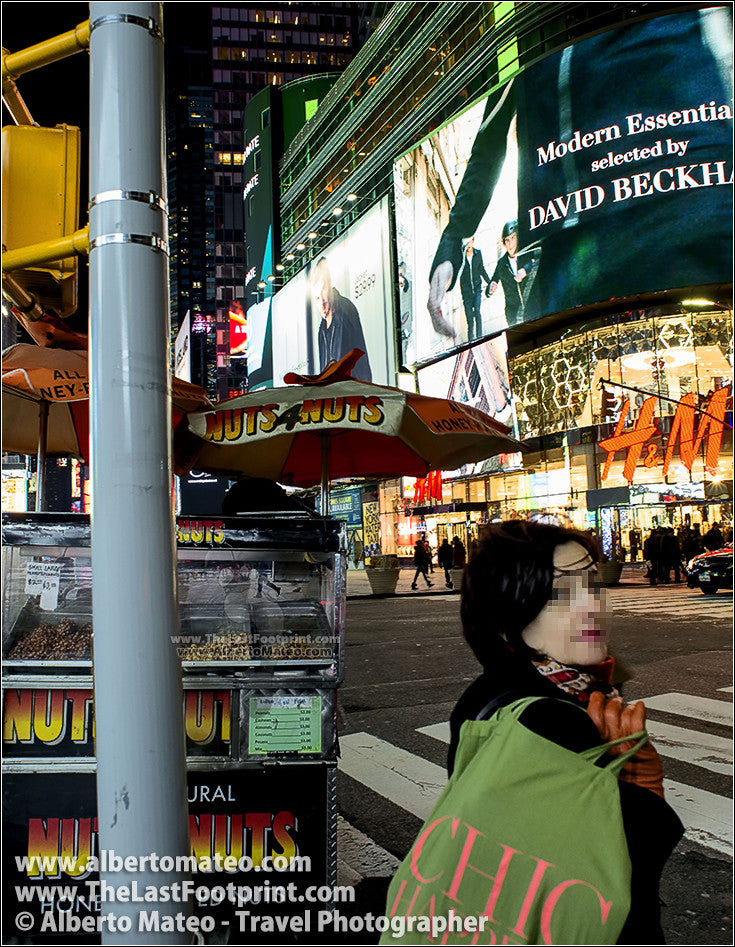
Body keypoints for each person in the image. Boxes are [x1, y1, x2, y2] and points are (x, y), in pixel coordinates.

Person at [449, 520, 683, 943]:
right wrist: (645, 793)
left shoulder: (492, 692)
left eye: (593, 585)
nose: (591, 605)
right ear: (508, 610)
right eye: (560, 594)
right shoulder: (550, 719)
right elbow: (606, 878)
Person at [311, 256, 372, 382]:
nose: (322, 303)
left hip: (352, 392)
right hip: (334, 394)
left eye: (324, 295)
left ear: (329, 285)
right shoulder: (322, 328)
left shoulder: (344, 310)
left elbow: (358, 359)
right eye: (317, 299)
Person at [486, 221, 536, 326]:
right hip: (513, 314)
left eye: (513, 238)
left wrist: (525, 270)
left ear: (518, 238)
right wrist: (490, 289)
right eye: (507, 240)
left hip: (532, 308)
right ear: (504, 243)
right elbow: (494, 280)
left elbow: (538, 261)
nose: (510, 244)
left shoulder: (527, 253)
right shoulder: (502, 263)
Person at [458, 237, 491, 340]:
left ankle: (480, 338)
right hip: (467, 293)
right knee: (470, 320)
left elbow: (482, 269)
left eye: (469, 242)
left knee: (477, 311)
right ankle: (471, 342)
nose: (468, 244)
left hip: (477, 289)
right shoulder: (461, 257)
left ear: (473, 241)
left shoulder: (478, 253)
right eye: (466, 242)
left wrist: (490, 282)